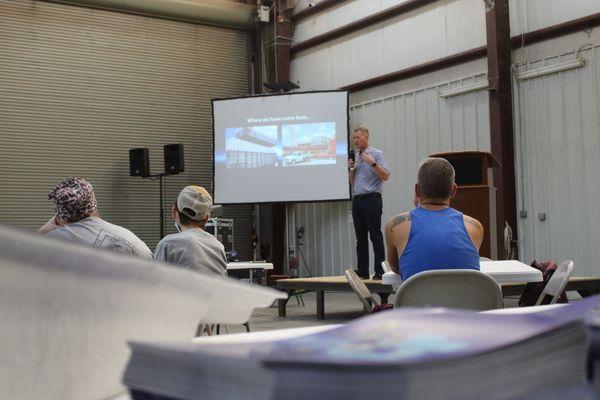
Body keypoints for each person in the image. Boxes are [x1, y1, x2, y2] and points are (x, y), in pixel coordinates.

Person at [384, 157, 483, 281]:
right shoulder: (475, 227)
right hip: (465, 300)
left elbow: (399, 268)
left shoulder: (395, 226)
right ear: (453, 190)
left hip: (417, 300)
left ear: (417, 190)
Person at [39, 176, 153, 259]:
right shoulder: (132, 240)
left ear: (58, 215)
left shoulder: (48, 244)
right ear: (93, 204)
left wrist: (41, 232)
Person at [154, 185, 227, 276]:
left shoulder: (167, 244)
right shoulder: (218, 247)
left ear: (174, 212)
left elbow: (155, 283)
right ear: (206, 218)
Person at [348, 126, 390, 280]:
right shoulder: (357, 157)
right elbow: (352, 183)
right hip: (358, 200)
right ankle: (363, 271)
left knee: (375, 235)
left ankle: (380, 271)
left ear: (366, 137)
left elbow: (386, 175)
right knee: (360, 238)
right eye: (354, 138)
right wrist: (351, 169)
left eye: (358, 138)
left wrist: (372, 163)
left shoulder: (376, 154)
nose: (355, 141)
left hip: (372, 199)